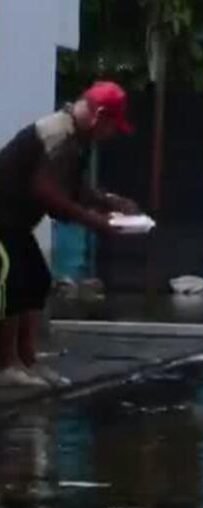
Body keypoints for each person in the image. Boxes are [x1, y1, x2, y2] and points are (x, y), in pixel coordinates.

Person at [0, 81, 139, 387]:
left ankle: (28, 360)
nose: (112, 135)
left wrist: (109, 202)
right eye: (112, 127)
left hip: (16, 222)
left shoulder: (77, 138)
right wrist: (94, 221)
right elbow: (46, 192)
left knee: (37, 279)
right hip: (3, 218)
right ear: (99, 115)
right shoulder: (58, 134)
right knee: (13, 282)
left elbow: (73, 188)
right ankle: (6, 365)